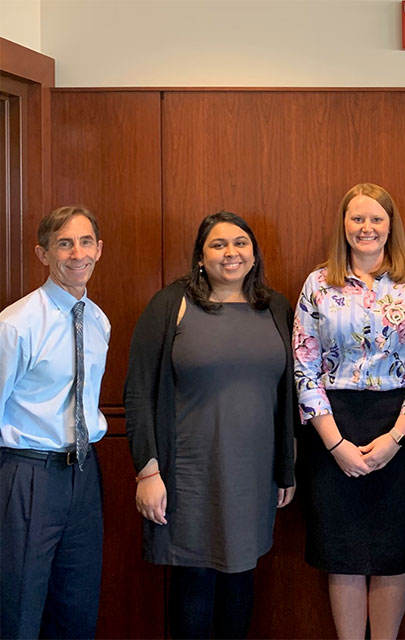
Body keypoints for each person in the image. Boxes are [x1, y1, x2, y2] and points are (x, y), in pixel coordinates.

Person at [124, 211, 296, 638]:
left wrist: (286, 468)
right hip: (188, 476)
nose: (231, 252)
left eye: (240, 243)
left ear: (254, 254)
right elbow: (139, 392)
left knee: (241, 578)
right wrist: (147, 470)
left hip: (253, 477)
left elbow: (288, 396)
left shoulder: (274, 306)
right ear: (200, 257)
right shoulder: (171, 304)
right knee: (194, 582)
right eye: (218, 244)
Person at [294, 183, 405, 640]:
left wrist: (397, 436)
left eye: (376, 218)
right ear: (343, 225)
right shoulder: (318, 283)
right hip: (331, 428)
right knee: (344, 555)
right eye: (357, 218)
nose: (366, 227)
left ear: (390, 224)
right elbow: (305, 363)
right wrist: (335, 443)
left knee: (392, 553)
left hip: (399, 426)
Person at [0, 206, 109, 639]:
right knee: (20, 605)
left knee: (77, 607)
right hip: (28, 476)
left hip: (83, 476)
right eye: (63, 243)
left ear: (99, 250)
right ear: (43, 254)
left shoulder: (99, 322)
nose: (76, 253)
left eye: (85, 242)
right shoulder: (16, 325)